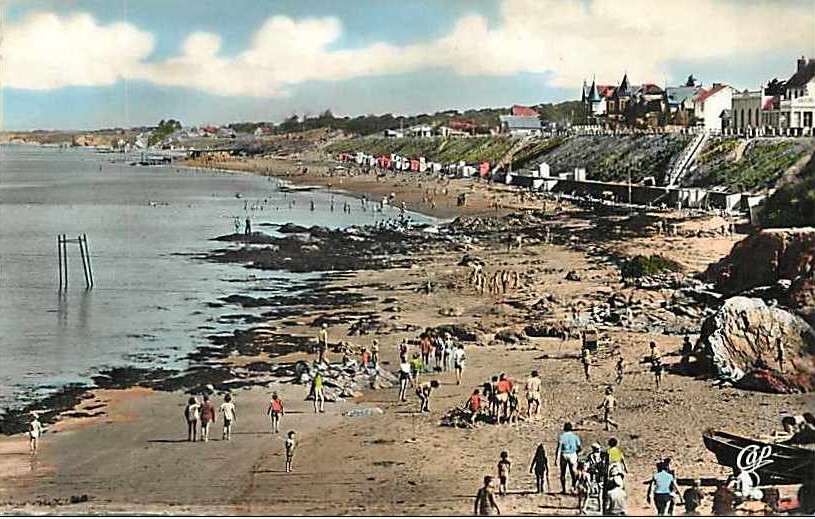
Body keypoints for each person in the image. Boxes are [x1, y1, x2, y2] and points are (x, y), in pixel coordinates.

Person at [555, 422, 582, 494]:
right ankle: (574, 487)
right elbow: (579, 447)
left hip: (564, 454)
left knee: (563, 473)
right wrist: (577, 452)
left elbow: (559, 448)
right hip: (572, 454)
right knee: (573, 472)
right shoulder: (575, 436)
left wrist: (556, 459)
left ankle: (564, 489)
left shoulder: (562, 436)